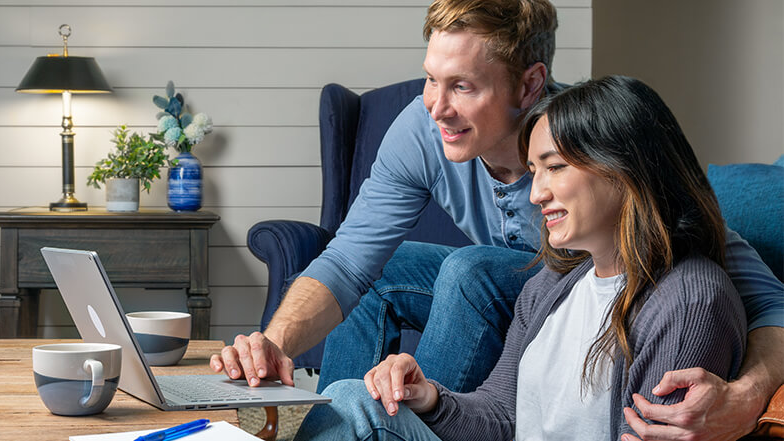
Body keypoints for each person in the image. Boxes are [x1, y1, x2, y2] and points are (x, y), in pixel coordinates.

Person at [211, 0, 784, 437]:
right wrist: (274, 344)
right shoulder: (423, 129)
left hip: (555, 278)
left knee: (472, 268)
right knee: (387, 275)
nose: (436, 105)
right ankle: (355, 416)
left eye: (462, 85)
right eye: (432, 78)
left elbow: (763, 299)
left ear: (530, 84)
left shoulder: (602, 147)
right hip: (549, 290)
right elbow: (348, 260)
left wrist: (746, 396)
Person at [294, 75, 748, 440]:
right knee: (354, 397)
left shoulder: (687, 301)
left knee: (358, 411)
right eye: (533, 171)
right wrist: (428, 397)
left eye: (554, 167)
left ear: (623, 167)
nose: (536, 193)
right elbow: (500, 415)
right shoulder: (551, 285)